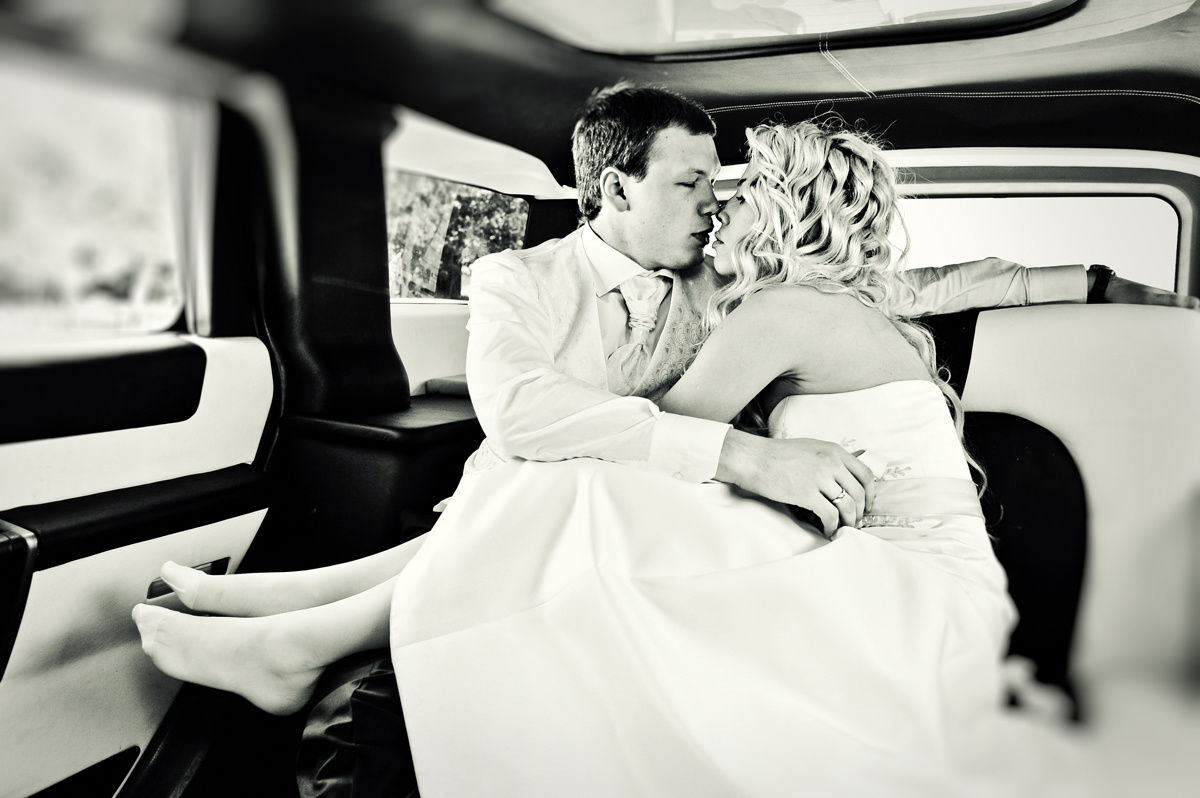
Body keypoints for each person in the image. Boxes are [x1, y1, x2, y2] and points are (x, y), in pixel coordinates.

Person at [131, 85, 1191, 794]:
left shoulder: (785, 314)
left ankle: (313, 629)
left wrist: (1099, 286)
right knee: (566, 482)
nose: (713, 212)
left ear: (775, 216)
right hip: (919, 580)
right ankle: (308, 608)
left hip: (910, 601)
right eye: (697, 189)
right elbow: (602, 432)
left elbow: (657, 441)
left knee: (578, 487)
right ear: (616, 189)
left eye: (728, 194)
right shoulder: (826, 305)